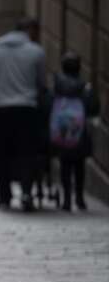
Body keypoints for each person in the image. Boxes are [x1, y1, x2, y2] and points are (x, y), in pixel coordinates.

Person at [0, 17, 48, 211]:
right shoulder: (36, 52)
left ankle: (3, 195)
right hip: (27, 109)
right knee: (26, 152)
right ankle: (27, 192)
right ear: (30, 30)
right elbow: (41, 84)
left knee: (2, 153)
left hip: (1, 108)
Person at [47, 52, 101, 211]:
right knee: (79, 166)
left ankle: (66, 200)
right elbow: (93, 108)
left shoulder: (57, 86)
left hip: (62, 132)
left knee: (65, 165)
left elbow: (49, 104)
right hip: (79, 132)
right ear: (79, 68)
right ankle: (79, 198)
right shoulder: (84, 86)